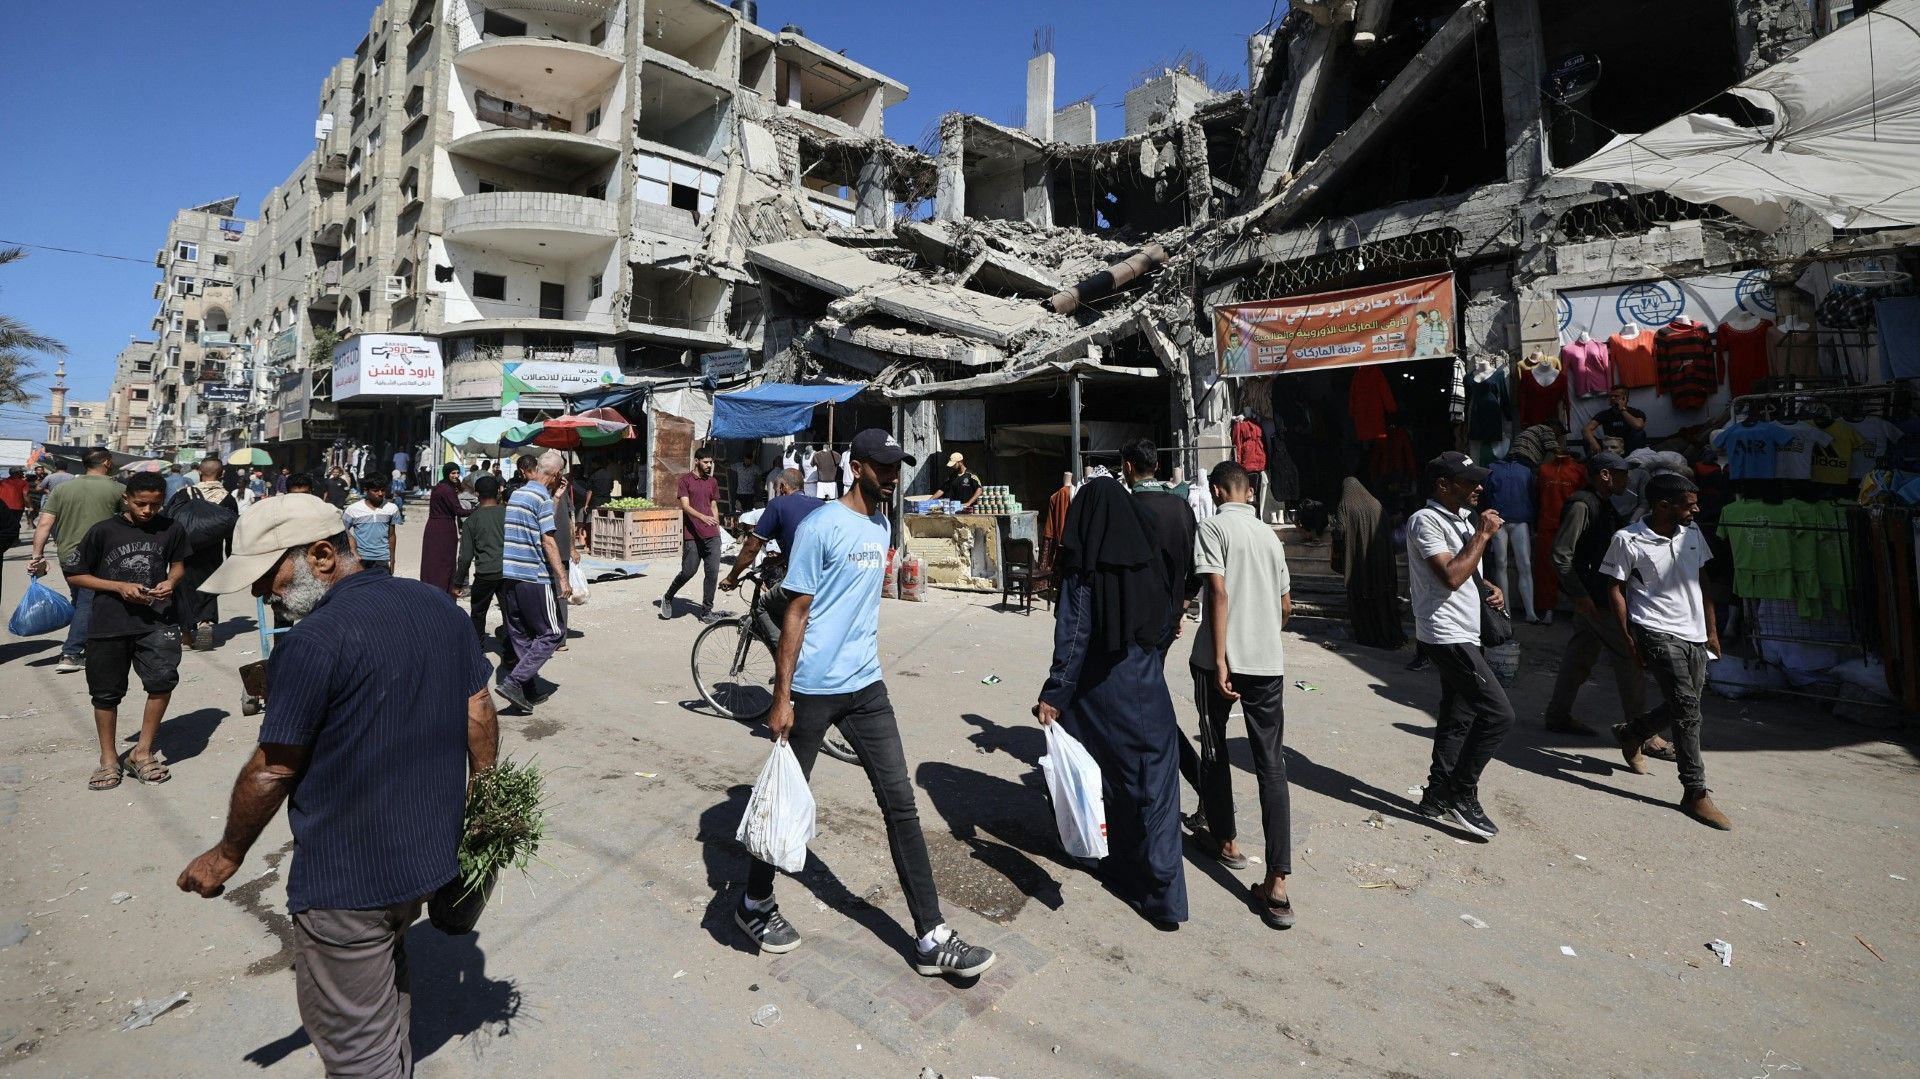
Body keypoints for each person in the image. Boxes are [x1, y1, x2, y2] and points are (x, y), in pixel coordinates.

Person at [176, 493, 498, 1077]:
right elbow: (477, 705)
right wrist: (484, 796)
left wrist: (226, 855)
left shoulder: (312, 641)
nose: (261, 594)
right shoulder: (436, 604)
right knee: (384, 982)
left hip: (349, 877)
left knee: (358, 1053)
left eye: (267, 577)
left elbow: (273, 769)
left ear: (322, 555)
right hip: (431, 853)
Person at [738, 429, 997, 978]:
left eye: (897, 466)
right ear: (856, 468)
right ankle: (753, 902)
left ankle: (931, 937)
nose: (893, 475)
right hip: (813, 689)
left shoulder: (881, 525)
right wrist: (781, 697)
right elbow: (796, 612)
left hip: (866, 687)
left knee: (901, 803)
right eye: (883, 467)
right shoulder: (820, 527)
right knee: (785, 800)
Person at [1033, 476, 1188, 927]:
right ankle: (1163, 893)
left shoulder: (1086, 565)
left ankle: (1106, 859)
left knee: (1106, 781)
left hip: (1099, 689)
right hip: (1148, 682)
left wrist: (1055, 692)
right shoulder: (1150, 557)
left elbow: (1075, 631)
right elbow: (1169, 621)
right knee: (1154, 787)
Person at [1184, 461, 1297, 927]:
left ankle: (1226, 841)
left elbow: (1217, 593)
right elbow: (1286, 606)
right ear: (1249, 492)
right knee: (1272, 766)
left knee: (1214, 751)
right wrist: (1262, 636)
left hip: (1221, 660)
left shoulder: (1213, 528)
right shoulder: (1270, 536)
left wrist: (1222, 658)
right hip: (1267, 664)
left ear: (1215, 491)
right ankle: (1278, 882)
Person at [1603, 474, 1731, 830]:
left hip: (1694, 632)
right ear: (1663, 506)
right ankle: (1695, 791)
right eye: (1689, 504)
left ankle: (1632, 733)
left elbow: (1702, 579)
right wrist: (1628, 637)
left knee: (1686, 703)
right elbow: (1614, 588)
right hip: (1654, 629)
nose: (1697, 510)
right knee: (1687, 709)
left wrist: (1712, 630)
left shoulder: (1692, 533)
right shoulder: (1627, 539)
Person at [1405, 451, 1514, 840]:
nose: (1479, 487)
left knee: (1459, 716)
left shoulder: (1462, 520)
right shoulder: (1426, 521)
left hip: (1467, 630)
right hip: (1445, 633)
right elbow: (1450, 575)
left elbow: (1464, 572)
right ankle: (1461, 793)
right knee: (1499, 714)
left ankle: (1436, 795)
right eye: (1469, 482)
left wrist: (1488, 588)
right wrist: (1483, 535)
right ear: (1443, 485)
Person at [64, 471, 189, 791]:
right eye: (140, 503)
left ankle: (142, 752)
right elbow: (76, 574)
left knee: (163, 680)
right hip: (109, 623)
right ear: (126, 499)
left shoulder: (171, 528)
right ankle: (108, 759)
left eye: (155, 505)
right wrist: (118, 586)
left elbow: (178, 565)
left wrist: (170, 582)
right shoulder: (103, 531)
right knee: (105, 693)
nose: (148, 510)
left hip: (157, 621)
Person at [1543, 453, 1671, 755]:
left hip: (1596, 596)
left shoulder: (1604, 504)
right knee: (1630, 656)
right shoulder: (1583, 505)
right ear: (1604, 475)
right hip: (1595, 599)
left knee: (1579, 656)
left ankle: (1558, 714)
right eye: (1622, 474)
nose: (1628, 480)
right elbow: (1561, 555)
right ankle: (1642, 732)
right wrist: (1580, 596)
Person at [28, 448, 125, 674]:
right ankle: (71, 653)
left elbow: (44, 524)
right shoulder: (118, 489)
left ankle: (88, 641)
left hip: (68, 555)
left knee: (81, 600)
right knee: (87, 603)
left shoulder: (62, 489)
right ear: (107, 462)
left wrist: (37, 556)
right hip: (100, 556)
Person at [496, 450, 572, 711]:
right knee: (553, 632)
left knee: (522, 635)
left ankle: (526, 690)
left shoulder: (518, 494)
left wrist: (557, 498)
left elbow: (540, 521)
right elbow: (547, 539)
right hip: (533, 576)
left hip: (510, 574)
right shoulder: (540, 497)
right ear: (557, 474)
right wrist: (562, 578)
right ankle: (514, 681)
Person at [720, 468, 819, 643]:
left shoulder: (778, 504)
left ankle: (783, 653)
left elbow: (751, 547)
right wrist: (777, 559)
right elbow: (803, 544)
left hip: (802, 581)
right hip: (828, 580)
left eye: (775, 488)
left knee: (763, 606)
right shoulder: (820, 505)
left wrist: (732, 577)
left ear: (782, 487)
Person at [171, 458, 240, 651]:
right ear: (222, 474)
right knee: (208, 588)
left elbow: (170, 519)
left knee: (183, 590)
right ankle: (205, 622)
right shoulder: (227, 498)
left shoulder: (184, 494)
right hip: (211, 553)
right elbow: (232, 528)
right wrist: (231, 555)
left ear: (199, 472)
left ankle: (186, 636)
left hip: (184, 552)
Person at [1330, 477, 1406, 649]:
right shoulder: (1376, 504)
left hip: (1359, 563)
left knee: (1362, 596)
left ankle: (1368, 635)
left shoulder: (1345, 506)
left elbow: (1340, 531)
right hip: (1382, 562)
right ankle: (1388, 634)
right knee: (1382, 598)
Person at [660, 449, 722, 621]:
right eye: (706, 462)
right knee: (688, 572)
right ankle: (668, 596)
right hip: (692, 535)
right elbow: (685, 506)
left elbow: (714, 505)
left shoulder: (712, 481)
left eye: (711, 462)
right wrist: (703, 517)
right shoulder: (685, 480)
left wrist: (717, 527)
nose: (709, 465)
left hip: (712, 535)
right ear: (696, 461)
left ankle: (706, 611)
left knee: (712, 573)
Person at [456, 474, 506, 644]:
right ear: (498, 491)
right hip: (509, 573)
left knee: (478, 614)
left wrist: (458, 583)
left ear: (477, 493)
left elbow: (465, 557)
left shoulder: (472, 520)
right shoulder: (508, 515)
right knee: (510, 614)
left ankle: (477, 650)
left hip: (485, 573)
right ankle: (511, 652)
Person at [420, 463, 470, 596]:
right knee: (445, 562)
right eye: (453, 473)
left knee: (432, 561)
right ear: (447, 473)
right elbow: (459, 511)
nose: (456, 475)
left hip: (434, 527)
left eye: (457, 473)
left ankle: (430, 591)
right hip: (444, 529)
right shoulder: (447, 490)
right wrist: (478, 509)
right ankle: (443, 593)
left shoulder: (439, 486)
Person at [342, 476, 400, 572]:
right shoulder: (353, 509)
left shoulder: (392, 508)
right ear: (366, 490)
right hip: (361, 558)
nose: (380, 493)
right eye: (375, 491)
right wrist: (353, 550)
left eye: (382, 490)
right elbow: (343, 530)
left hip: (382, 559)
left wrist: (392, 560)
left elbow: (391, 535)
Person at [1584, 388, 1649, 455]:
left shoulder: (1635, 412)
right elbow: (1586, 429)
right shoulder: (1604, 414)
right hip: (1611, 447)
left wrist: (1622, 410)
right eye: (1611, 396)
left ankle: (1633, 459)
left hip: (1630, 447)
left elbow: (1638, 426)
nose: (1612, 398)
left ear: (1625, 398)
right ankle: (1595, 459)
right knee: (1587, 437)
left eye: (1616, 396)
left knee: (1640, 433)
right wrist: (1593, 442)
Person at [0, 465, 27, 549]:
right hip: (17, 507)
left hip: (3, 507)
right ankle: (14, 541)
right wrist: (29, 506)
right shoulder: (23, 482)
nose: (22, 474)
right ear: (17, 473)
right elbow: (25, 494)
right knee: (15, 523)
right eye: (21, 472)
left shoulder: (2, 482)